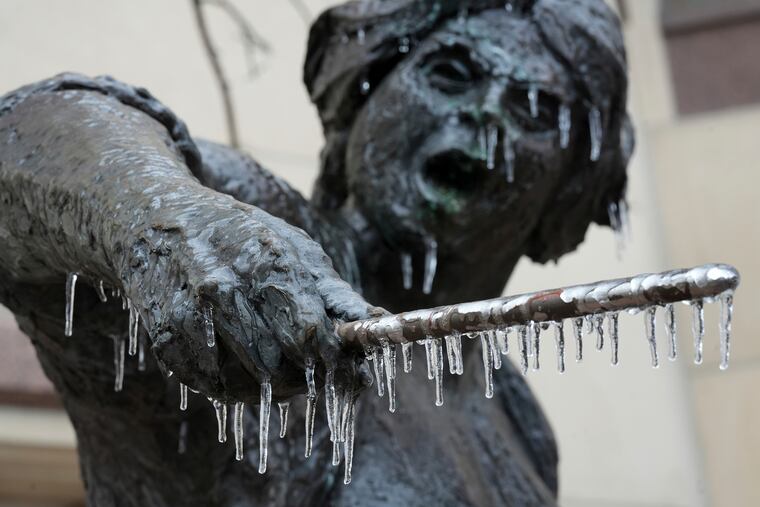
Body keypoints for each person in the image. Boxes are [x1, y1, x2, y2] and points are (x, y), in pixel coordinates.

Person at [0, 0, 632, 505]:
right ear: (362, 96)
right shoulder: (260, 252)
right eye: (451, 74)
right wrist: (163, 220)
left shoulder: (514, 418)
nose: (486, 116)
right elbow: (27, 134)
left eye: (536, 110)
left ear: (568, 191)